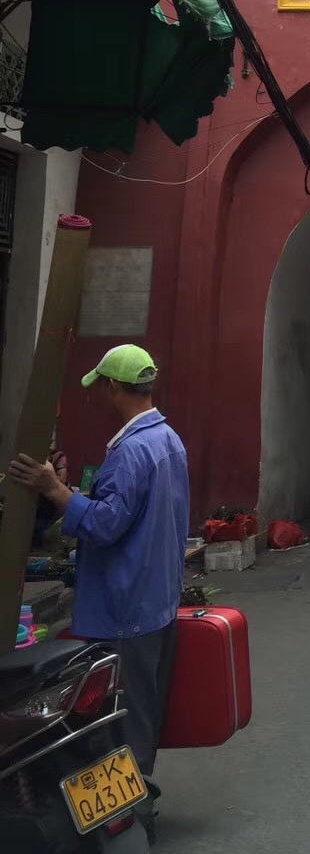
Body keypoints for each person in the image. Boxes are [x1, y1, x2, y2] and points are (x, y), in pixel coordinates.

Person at [7, 344, 189, 825]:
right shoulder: (168, 439)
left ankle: (126, 820)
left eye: (101, 386)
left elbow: (107, 524)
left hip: (126, 604)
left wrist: (54, 489)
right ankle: (134, 810)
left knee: (119, 717)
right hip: (155, 599)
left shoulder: (132, 451)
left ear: (112, 387)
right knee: (141, 714)